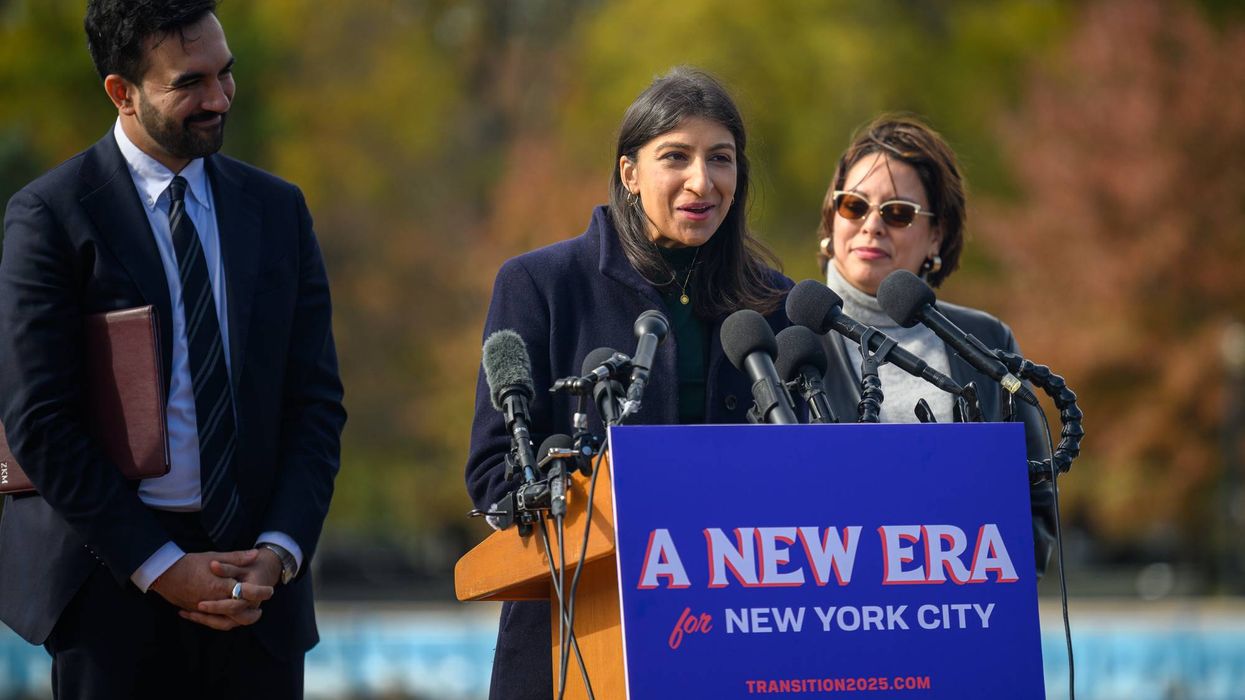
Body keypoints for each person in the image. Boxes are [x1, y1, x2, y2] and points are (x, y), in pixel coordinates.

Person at [0, 1, 345, 696]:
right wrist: (159, 565)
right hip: (110, 594)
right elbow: (38, 423)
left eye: (226, 74)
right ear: (121, 93)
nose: (217, 99)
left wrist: (277, 553)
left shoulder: (278, 210)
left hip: (259, 598)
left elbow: (315, 405)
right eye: (189, 83)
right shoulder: (50, 218)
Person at [465, 67, 792, 699]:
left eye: (720, 159)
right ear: (629, 172)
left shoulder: (775, 301)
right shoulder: (542, 283)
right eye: (676, 156)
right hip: (578, 637)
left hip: (735, 636)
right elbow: (493, 472)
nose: (703, 181)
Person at [813, 113, 1056, 572]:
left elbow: (1038, 520)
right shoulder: (782, 341)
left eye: (898, 213)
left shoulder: (986, 341)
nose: (872, 225)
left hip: (958, 615)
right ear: (832, 218)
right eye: (854, 206)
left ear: (937, 235)